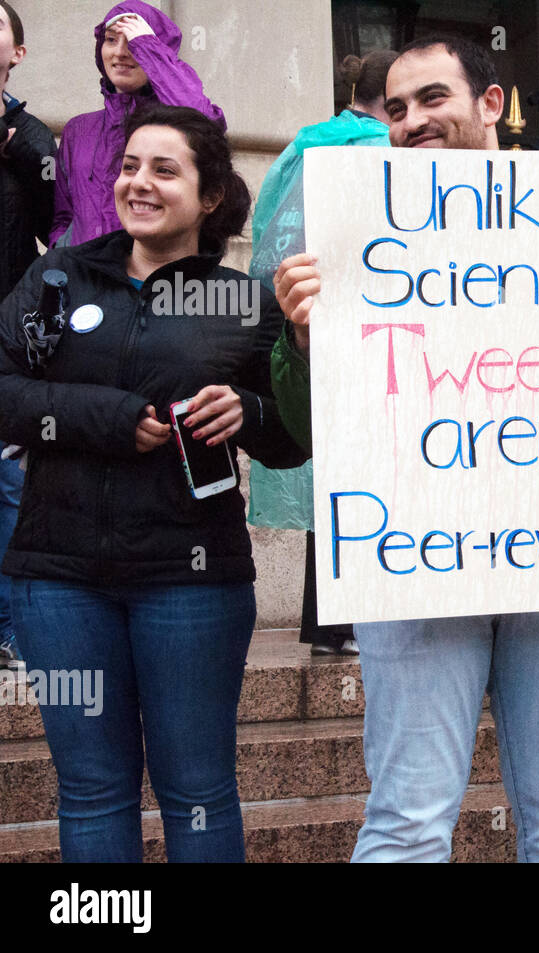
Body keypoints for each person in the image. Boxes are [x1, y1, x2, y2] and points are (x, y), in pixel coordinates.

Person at [268, 34, 539, 862]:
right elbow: (301, 427)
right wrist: (300, 339)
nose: (410, 122)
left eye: (433, 99)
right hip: (415, 557)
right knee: (405, 818)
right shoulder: (353, 236)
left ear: (492, 104)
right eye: (394, 108)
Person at [0, 105, 305, 861]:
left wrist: (251, 410)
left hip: (191, 585)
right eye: (130, 165)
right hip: (57, 581)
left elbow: (295, 442)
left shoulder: (243, 300)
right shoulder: (59, 276)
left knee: (199, 791)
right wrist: (105, 417)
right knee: (93, 791)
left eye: (164, 170)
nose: (138, 182)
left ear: (208, 197)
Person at [246, 49, 399, 657]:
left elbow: (264, 243)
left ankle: (325, 624)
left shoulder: (299, 148)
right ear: (390, 99)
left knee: (333, 474)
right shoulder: (384, 150)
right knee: (378, 475)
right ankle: (361, 617)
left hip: (305, 322)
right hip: (384, 329)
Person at [50, 1, 224, 247]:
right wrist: (61, 258)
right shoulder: (78, 130)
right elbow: (64, 217)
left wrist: (147, 46)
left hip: (155, 275)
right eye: (111, 40)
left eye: (132, 42)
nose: (120, 52)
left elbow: (206, 126)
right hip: (83, 279)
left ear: (156, 52)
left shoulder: (174, 128)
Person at [0, 0, 54, 668]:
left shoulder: (31, 138)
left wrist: (27, 154)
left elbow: (61, 223)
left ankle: (10, 630)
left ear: (16, 51)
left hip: (5, 337)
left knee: (8, 488)